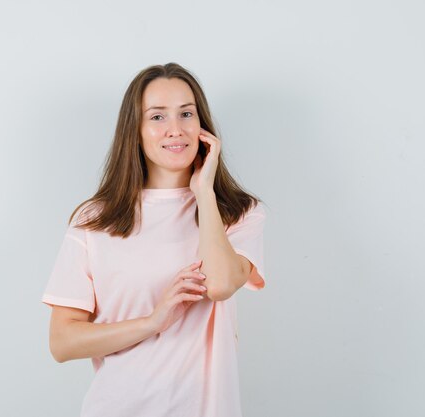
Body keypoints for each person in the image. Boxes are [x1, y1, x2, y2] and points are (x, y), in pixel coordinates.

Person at [41, 62, 267, 417]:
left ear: (203, 126)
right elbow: (62, 342)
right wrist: (152, 322)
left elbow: (221, 284)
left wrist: (204, 192)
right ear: (136, 130)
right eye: (158, 117)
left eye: (186, 114)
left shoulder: (238, 212)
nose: (175, 130)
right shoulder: (96, 220)